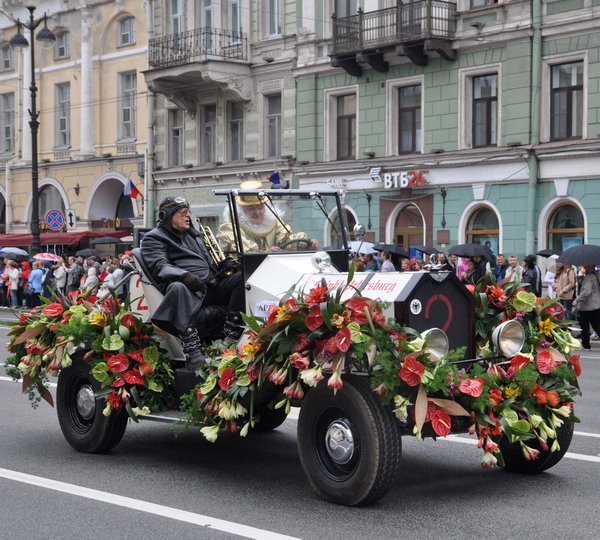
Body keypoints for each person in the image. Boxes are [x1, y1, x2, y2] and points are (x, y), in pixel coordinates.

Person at [141, 196, 245, 368]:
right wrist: (184, 276)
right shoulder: (154, 237)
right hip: (189, 292)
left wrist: (223, 266)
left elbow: (207, 264)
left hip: (210, 287)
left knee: (241, 279)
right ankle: (192, 348)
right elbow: (160, 266)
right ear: (166, 215)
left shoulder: (194, 235)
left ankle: (231, 337)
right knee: (177, 286)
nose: (187, 216)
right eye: (182, 213)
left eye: (188, 212)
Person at [217, 180, 318, 253]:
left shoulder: (273, 223)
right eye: (251, 208)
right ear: (241, 211)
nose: (257, 212)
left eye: (260, 207)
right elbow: (245, 252)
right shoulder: (230, 229)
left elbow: (287, 240)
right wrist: (267, 253)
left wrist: (306, 243)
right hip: (245, 274)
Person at [573, 265, 600, 350]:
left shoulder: (589, 278)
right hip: (597, 304)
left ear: (590, 267)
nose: (584, 268)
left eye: (585, 266)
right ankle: (586, 345)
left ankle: (586, 345)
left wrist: (577, 299)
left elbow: (587, 291)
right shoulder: (598, 275)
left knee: (584, 326)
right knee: (597, 326)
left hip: (588, 306)